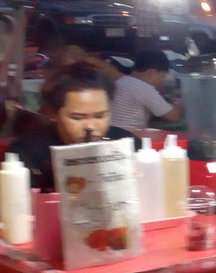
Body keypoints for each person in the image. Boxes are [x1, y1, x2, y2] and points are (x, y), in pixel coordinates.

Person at [7, 61, 139, 191]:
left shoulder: (127, 144)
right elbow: (2, 207)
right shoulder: (29, 150)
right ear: (53, 113)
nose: (90, 126)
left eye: (100, 116)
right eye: (77, 118)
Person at [110, 49, 182, 130]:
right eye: (162, 76)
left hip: (113, 132)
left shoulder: (122, 81)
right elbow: (173, 116)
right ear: (152, 73)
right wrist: (183, 99)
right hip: (129, 135)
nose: (161, 81)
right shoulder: (143, 88)